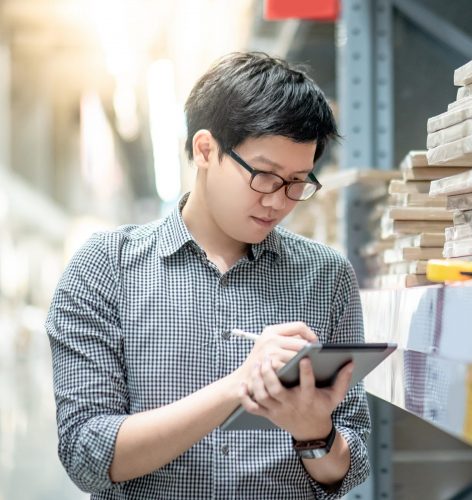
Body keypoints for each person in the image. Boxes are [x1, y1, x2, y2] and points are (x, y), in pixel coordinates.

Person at [46, 52, 370, 499]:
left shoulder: (326, 276)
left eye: (298, 181)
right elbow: (87, 453)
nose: (279, 201)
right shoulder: (106, 268)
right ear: (205, 149)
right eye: (266, 176)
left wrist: (314, 432)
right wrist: (239, 386)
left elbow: (349, 467)